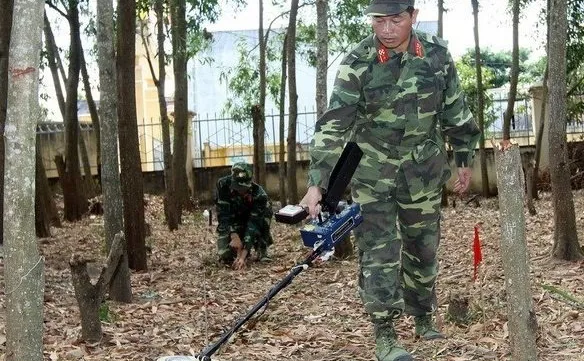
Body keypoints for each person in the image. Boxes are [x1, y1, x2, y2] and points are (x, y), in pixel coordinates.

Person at [299, 1, 481, 360]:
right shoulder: (358, 62)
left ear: (413, 17)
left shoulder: (437, 55)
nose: (386, 29)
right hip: (373, 175)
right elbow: (334, 123)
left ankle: (423, 317)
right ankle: (385, 333)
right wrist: (316, 183)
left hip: (423, 170)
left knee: (423, 248)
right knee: (379, 254)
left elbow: (455, 109)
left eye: (395, 19)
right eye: (379, 20)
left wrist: (464, 157)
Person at [215, 162, 274, 270]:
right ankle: (238, 247)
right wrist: (234, 235)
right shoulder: (223, 185)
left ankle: (262, 248)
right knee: (225, 256)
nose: (240, 190)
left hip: (251, 220)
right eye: (237, 186)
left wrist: (242, 256)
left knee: (265, 213)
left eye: (243, 188)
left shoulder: (260, 195)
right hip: (234, 221)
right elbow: (223, 214)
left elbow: (253, 224)